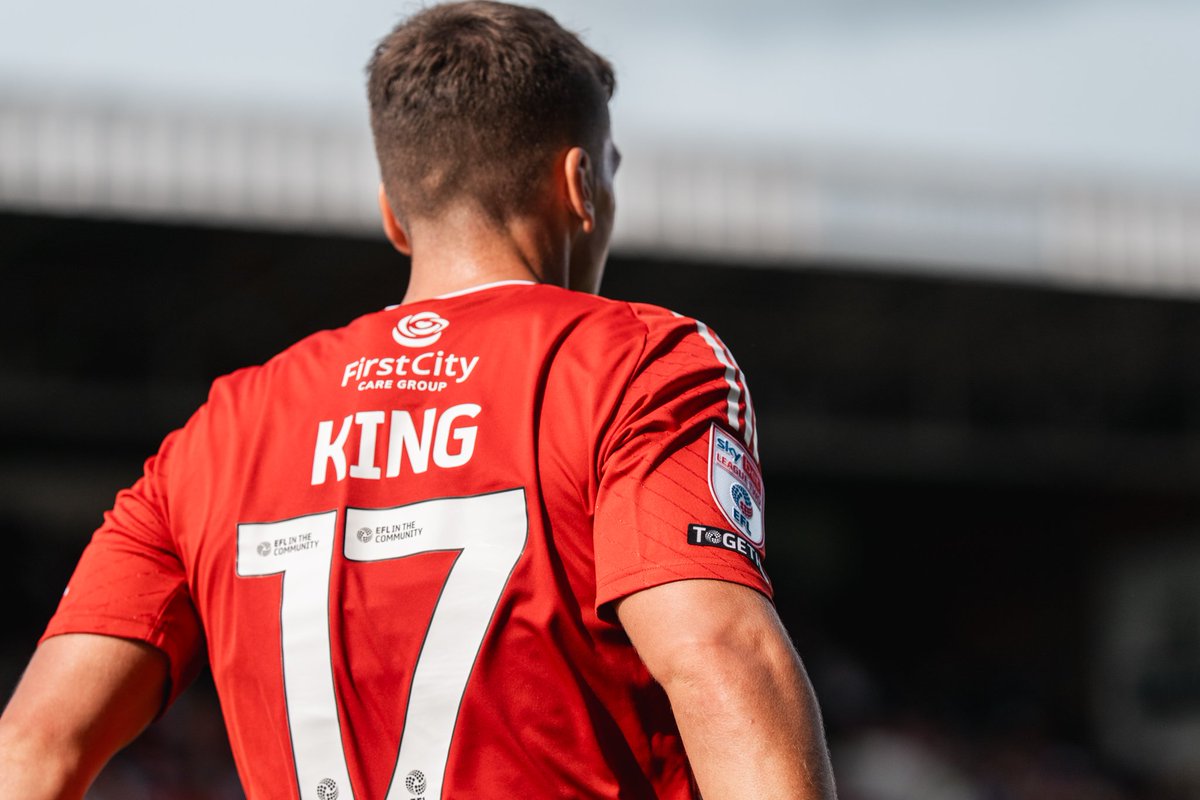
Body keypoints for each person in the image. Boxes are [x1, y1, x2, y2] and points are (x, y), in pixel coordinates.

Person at [0, 2, 836, 798]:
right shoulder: (639, 364)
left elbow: (36, 745)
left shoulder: (219, 432)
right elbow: (720, 652)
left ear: (394, 218)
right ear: (580, 184)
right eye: (611, 171)